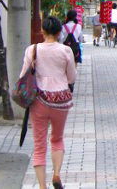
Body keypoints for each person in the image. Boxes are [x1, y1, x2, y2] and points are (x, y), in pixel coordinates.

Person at [20, 15, 76, 189]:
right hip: (61, 100)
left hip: (39, 101)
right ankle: (57, 174)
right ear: (59, 33)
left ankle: (42, 186)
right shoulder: (66, 51)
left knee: (39, 145)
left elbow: (23, 76)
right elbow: (72, 77)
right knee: (57, 138)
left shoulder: (32, 50)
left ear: (42, 31)